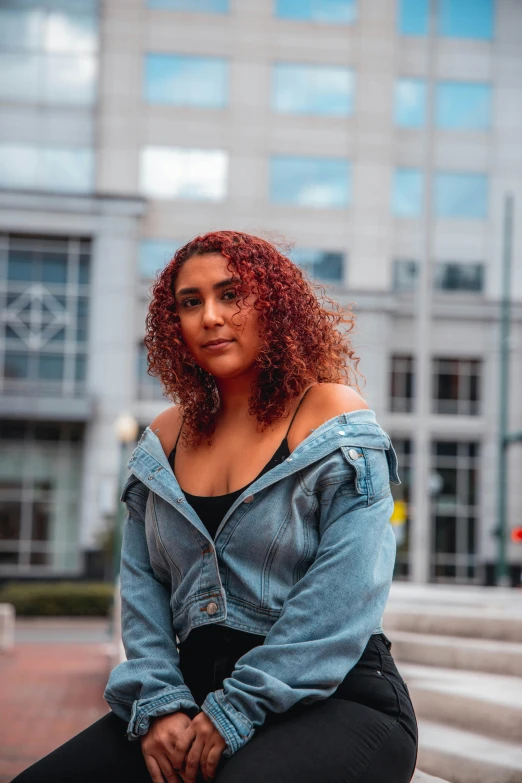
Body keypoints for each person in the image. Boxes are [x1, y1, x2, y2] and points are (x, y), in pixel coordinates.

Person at [13, 231, 418, 783]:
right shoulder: (164, 437)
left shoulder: (330, 416)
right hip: (190, 699)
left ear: (274, 307)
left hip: (336, 696)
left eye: (231, 295)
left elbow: (344, 597)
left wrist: (233, 711)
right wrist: (157, 703)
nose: (209, 316)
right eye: (190, 302)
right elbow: (140, 587)